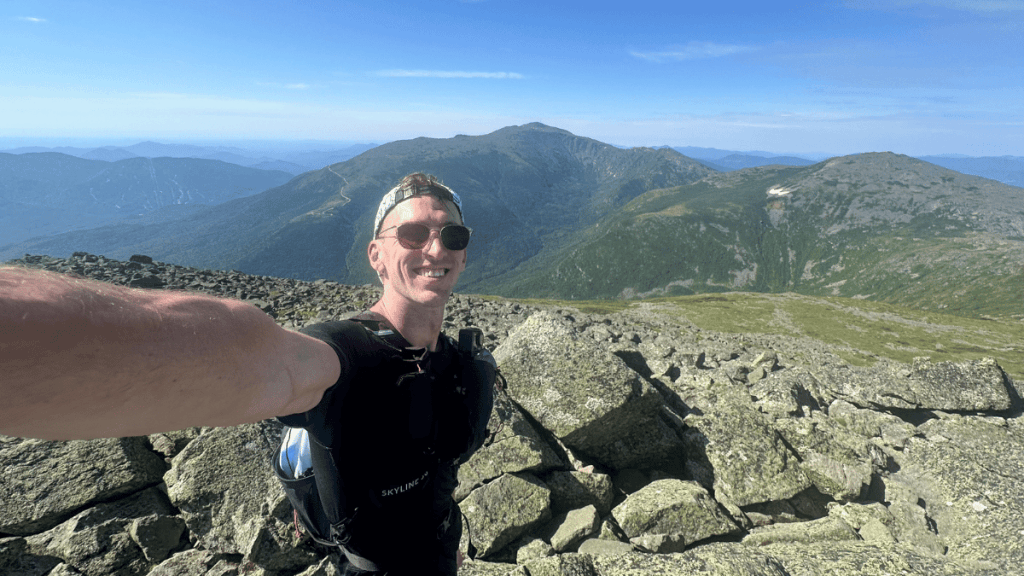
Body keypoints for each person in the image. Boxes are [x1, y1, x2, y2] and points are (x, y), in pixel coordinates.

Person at [0, 173, 489, 575]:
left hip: (442, 552)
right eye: (411, 234)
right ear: (376, 256)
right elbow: (250, 354)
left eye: (452, 235)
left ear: (463, 253)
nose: (435, 248)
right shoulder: (342, 355)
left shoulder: (452, 358)